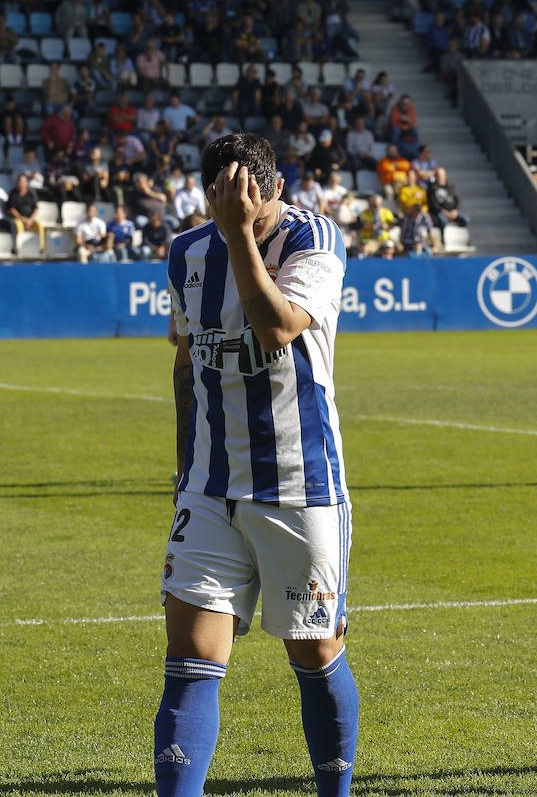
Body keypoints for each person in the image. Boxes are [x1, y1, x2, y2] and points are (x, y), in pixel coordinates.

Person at [157, 133, 355, 797]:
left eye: (254, 205)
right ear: (208, 194)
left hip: (301, 483)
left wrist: (241, 233)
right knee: (189, 655)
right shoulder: (185, 252)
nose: (245, 213)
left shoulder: (313, 240)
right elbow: (186, 364)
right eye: (224, 203)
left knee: (315, 651)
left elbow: (276, 328)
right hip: (211, 487)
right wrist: (185, 466)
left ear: (271, 191)